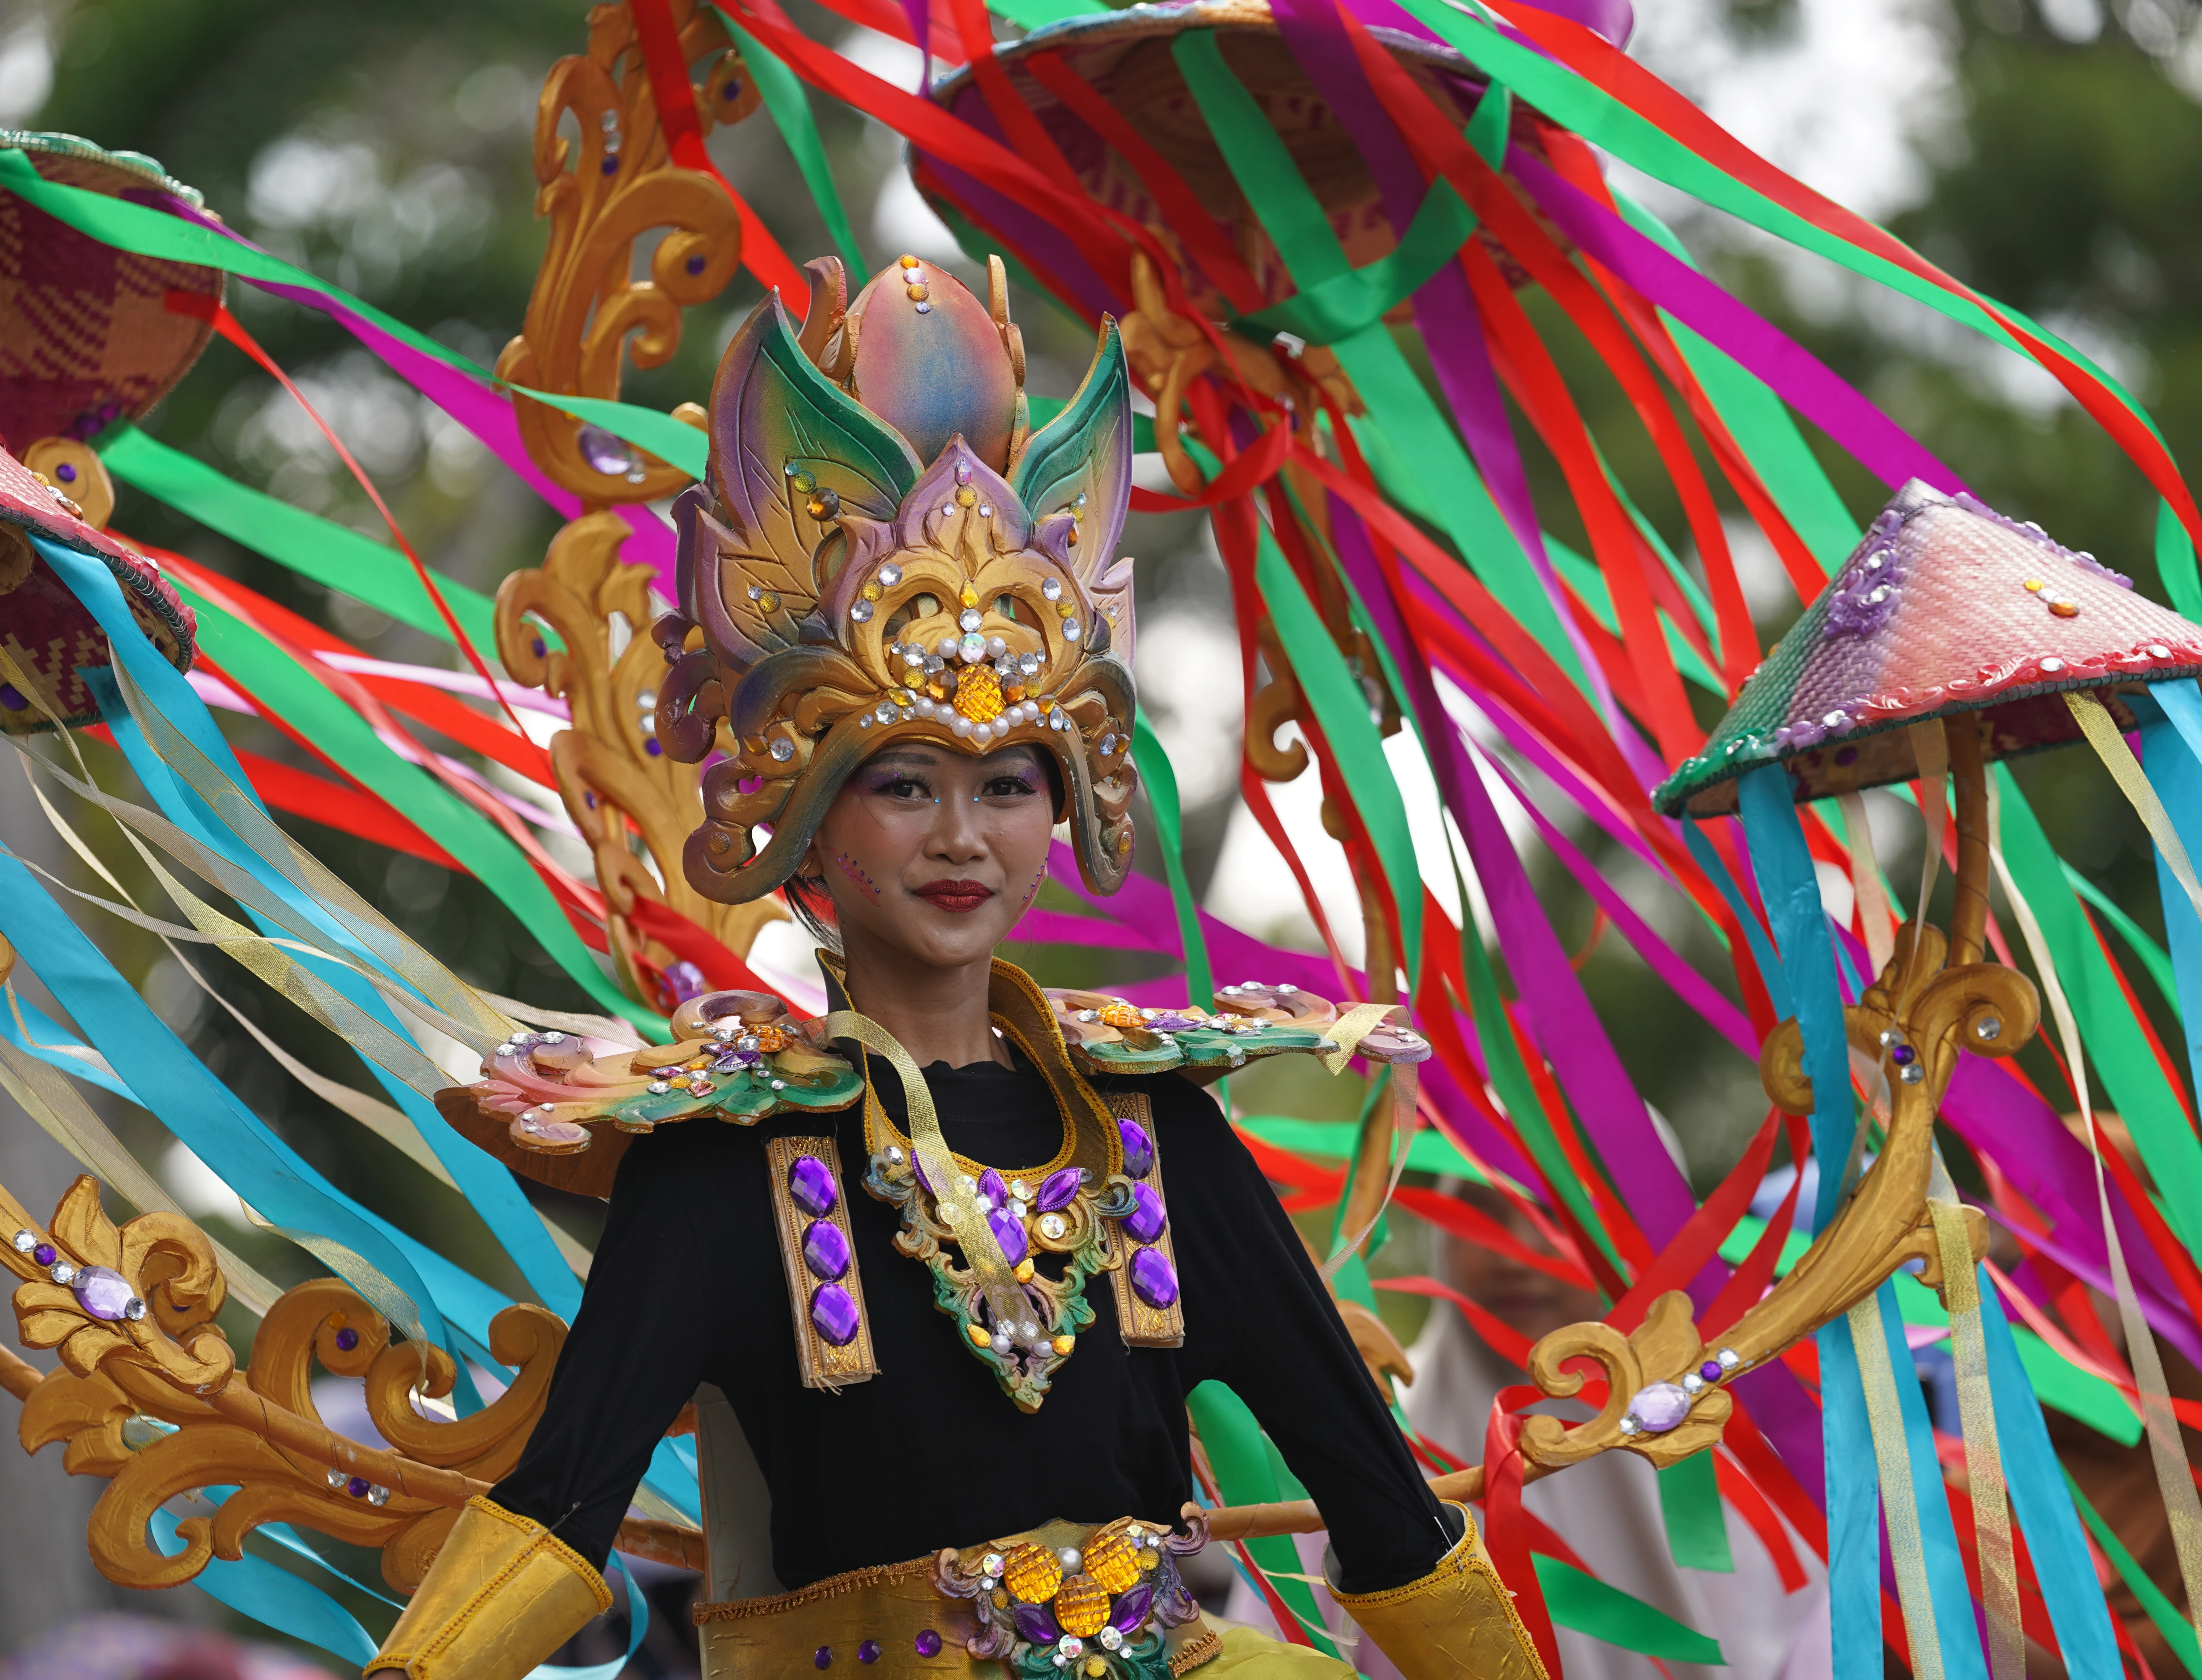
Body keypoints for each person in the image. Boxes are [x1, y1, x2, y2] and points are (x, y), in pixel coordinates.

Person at [363, 257, 1546, 1680]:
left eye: (1008, 786)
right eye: (908, 784)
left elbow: (1387, 1513)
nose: (963, 839)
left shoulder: (1165, 1133)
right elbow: (557, 1517)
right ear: (809, 807)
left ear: (1069, 807)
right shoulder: (724, 1161)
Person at [1392, 1176, 1823, 1680]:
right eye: (1480, 1217)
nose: (1515, 1255)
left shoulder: (1736, 1456)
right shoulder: (1385, 1444)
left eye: (1557, 1217)